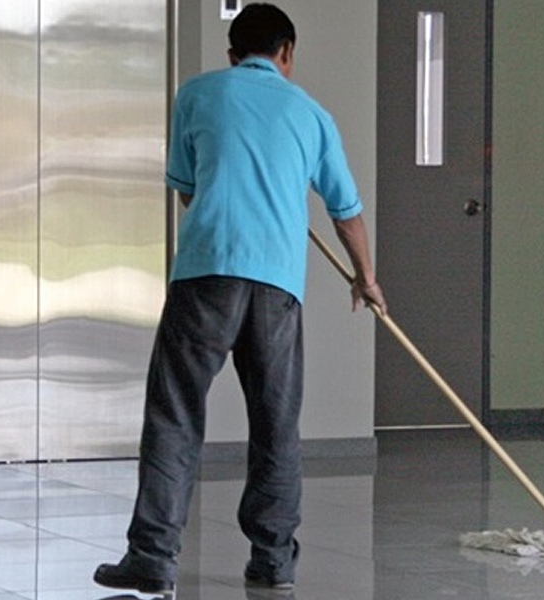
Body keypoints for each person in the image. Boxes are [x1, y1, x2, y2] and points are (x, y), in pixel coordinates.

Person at [93, 3, 385, 595]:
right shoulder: (312, 114)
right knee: (276, 424)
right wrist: (365, 278)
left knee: (174, 413)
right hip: (277, 287)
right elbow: (346, 211)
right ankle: (272, 560)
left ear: (232, 53)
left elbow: (188, 192)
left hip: (205, 274)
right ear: (287, 54)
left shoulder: (196, 95)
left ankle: (152, 554)